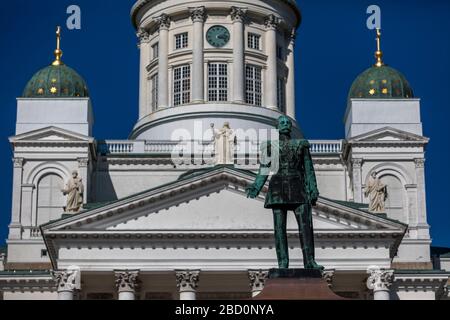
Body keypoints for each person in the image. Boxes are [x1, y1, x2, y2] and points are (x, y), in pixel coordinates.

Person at [246, 116, 324, 270]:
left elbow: (308, 169)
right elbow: (264, 169)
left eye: (287, 123)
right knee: (279, 228)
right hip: (278, 187)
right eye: (282, 123)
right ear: (277, 127)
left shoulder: (301, 145)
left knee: (305, 226)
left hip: (298, 186)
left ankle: (309, 261)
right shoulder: (270, 146)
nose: (285, 125)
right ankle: (283, 263)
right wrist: (256, 186)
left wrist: (313, 188)